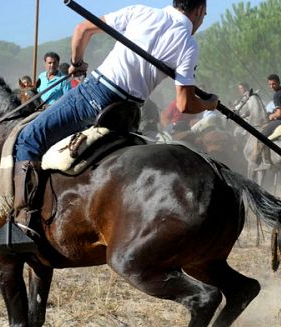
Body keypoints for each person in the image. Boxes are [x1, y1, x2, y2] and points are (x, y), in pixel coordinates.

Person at [13, 0, 217, 237]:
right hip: (127, 113)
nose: (201, 22)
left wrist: (77, 63)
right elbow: (186, 104)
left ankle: (22, 223)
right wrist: (209, 103)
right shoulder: (189, 44)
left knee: (28, 137)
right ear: (200, 10)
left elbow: (82, 29)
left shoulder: (140, 12)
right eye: (204, 17)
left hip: (95, 95)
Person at [255, 73, 281, 170]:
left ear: (278, 83)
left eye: (273, 84)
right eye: (270, 84)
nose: (271, 86)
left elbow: (279, 114)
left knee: (261, 136)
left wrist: (271, 116)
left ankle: (266, 162)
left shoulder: (277, 95)